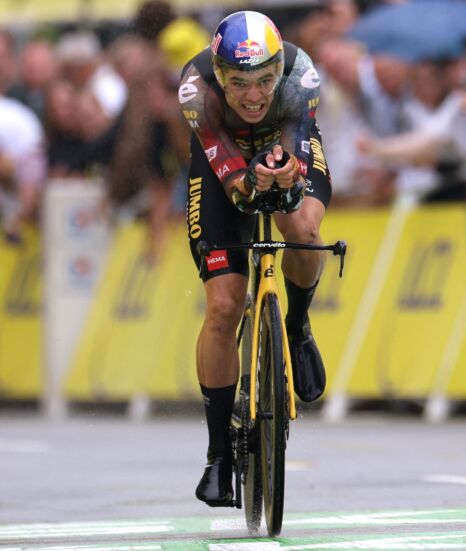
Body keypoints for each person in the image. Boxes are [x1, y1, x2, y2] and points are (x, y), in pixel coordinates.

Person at [178, 10, 332, 507]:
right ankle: (219, 453)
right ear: (220, 75)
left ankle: (297, 326)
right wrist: (250, 183)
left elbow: (295, 160)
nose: (252, 94)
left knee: (303, 229)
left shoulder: (300, 77)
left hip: (284, 145)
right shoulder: (196, 89)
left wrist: (285, 177)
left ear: (278, 70)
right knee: (224, 306)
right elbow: (235, 188)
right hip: (223, 157)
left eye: (264, 80)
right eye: (239, 82)